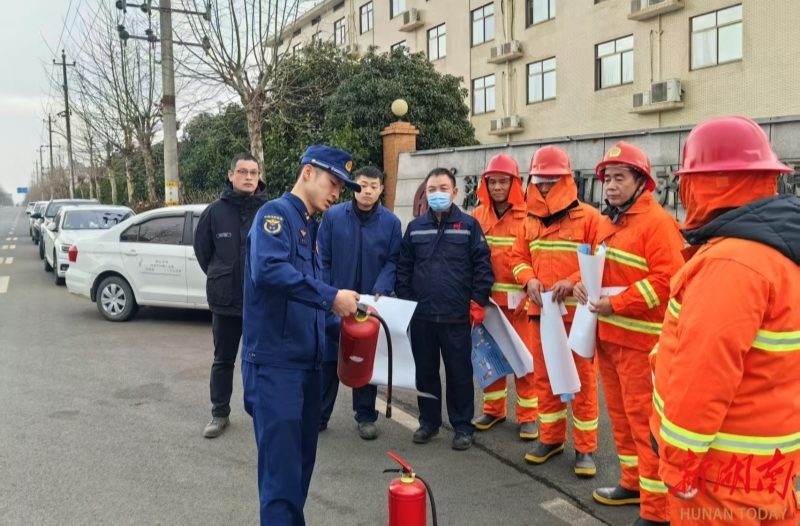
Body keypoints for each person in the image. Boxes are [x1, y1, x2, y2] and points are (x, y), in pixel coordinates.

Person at [648, 116, 800, 526]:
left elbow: (703, 374)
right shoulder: (781, 251)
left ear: (707, 183)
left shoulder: (732, 261)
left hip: (719, 475)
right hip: (769, 464)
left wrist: (676, 460)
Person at [241, 145, 362, 526]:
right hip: (277, 369)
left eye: (342, 189)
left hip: (307, 368)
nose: (336, 193)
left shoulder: (311, 227)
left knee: (299, 473)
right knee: (281, 480)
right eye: (333, 182)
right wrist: (332, 298)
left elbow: (308, 302)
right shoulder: (274, 215)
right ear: (308, 172)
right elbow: (270, 273)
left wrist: (354, 329)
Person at [574, 142, 685, 526]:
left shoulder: (658, 224)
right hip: (609, 340)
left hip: (643, 346)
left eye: (620, 178)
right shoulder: (610, 222)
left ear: (642, 181)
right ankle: (632, 484)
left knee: (644, 426)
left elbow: (668, 283)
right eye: (607, 178)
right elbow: (600, 271)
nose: (610, 186)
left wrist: (616, 306)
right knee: (620, 421)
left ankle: (657, 513)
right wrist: (579, 284)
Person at [510, 146, 600, 477]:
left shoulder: (590, 218)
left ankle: (585, 449)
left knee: (583, 383)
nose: (544, 189)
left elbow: (600, 264)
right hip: (541, 314)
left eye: (551, 182)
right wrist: (529, 279)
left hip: (577, 318)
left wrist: (572, 280)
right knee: (545, 381)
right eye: (540, 182)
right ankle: (550, 439)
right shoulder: (529, 221)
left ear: (566, 180)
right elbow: (517, 259)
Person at [396, 167, 494, 451]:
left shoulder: (469, 226)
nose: (437, 194)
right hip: (423, 316)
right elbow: (404, 268)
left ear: (454, 192)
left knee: (459, 373)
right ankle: (428, 422)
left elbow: (483, 267)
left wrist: (478, 300)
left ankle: (463, 426)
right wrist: (406, 303)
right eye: (431, 189)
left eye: (442, 188)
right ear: (425, 194)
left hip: (456, 316)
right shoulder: (415, 228)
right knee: (425, 372)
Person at [317, 166, 402, 439]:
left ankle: (365, 416)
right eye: (362, 185)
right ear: (355, 188)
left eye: (373, 186)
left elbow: (393, 260)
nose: (367, 191)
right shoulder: (332, 217)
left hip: (369, 302)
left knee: (364, 356)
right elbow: (322, 258)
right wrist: (328, 292)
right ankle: (319, 415)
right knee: (329, 357)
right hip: (335, 300)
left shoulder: (391, 223)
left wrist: (382, 287)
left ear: (381, 190)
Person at [194, 153, 267, 438]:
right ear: (230, 175)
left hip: (261, 303)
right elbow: (203, 253)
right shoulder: (215, 211)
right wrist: (221, 274)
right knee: (223, 360)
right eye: (242, 172)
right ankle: (219, 413)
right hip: (225, 303)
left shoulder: (269, 210)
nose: (249, 177)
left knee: (262, 361)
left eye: (253, 172)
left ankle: (264, 412)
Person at [470, 154, 539, 440]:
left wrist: (531, 296)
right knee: (490, 358)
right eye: (492, 181)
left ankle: (528, 417)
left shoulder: (530, 216)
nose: (497, 187)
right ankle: (493, 409)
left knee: (524, 362)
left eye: (503, 181)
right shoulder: (477, 216)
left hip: (521, 305)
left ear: (515, 183)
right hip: (489, 305)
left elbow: (538, 258)